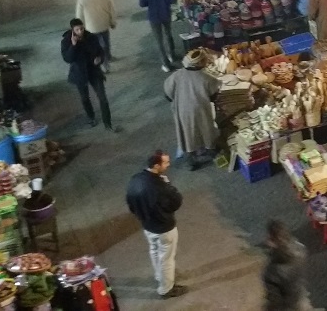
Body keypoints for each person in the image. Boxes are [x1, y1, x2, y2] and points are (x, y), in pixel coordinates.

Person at [126, 150, 185, 299]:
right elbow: (176, 202)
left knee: (154, 251)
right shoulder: (160, 185)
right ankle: (166, 289)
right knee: (167, 258)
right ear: (157, 165)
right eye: (166, 162)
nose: (169, 165)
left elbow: (131, 204)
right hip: (164, 228)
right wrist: (168, 185)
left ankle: (160, 276)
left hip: (147, 226)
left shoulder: (135, 180)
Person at [164, 49, 220, 171]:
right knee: (206, 130)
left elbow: (167, 95)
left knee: (188, 134)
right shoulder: (207, 78)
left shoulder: (176, 76)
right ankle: (210, 151)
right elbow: (214, 95)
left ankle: (191, 160)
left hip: (183, 110)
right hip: (201, 110)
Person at [61, 18, 115, 131]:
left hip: (94, 71)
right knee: (85, 98)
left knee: (102, 97)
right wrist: (74, 45)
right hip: (79, 73)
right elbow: (68, 58)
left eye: (82, 28)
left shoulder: (91, 37)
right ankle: (91, 117)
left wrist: (99, 59)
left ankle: (107, 123)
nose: (80, 31)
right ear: (73, 30)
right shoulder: (66, 41)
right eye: (77, 29)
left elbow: (100, 51)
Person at [263, 220, 317, 311]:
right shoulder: (300, 249)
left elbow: (275, 300)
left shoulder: (272, 270)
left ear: (272, 240)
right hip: (301, 299)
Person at [139, 0, 179, 72]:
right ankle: (172, 54)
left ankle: (166, 64)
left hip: (154, 15)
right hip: (165, 12)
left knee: (159, 40)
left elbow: (142, 4)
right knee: (168, 34)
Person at [75, 0, 116, 73]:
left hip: (91, 28)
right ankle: (108, 57)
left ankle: (103, 65)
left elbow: (79, 15)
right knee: (106, 43)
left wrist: (80, 29)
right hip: (104, 25)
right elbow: (112, 10)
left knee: (95, 47)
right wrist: (113, 22)